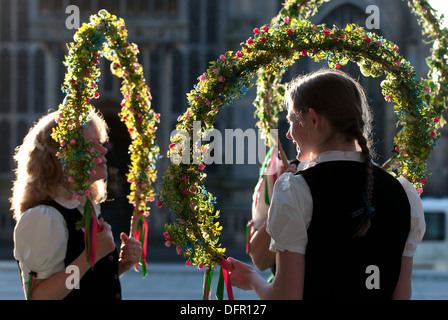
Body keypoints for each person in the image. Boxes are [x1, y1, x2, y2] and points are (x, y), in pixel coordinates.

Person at [228, 68, 425, 300]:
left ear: (313, 119)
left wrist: (252, 279)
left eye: (291, 120)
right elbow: (401, 296)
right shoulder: (405, 193)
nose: (289, 134)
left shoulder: (295, 190)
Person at [11, 109, 142, 300]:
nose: (104, 150)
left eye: (101, 143)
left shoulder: (85, 208)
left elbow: (80, 283)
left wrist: (122, 264)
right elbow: (40, 296)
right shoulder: (43, 217)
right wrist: (89, 257)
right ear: (63, 158)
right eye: (92, 145)